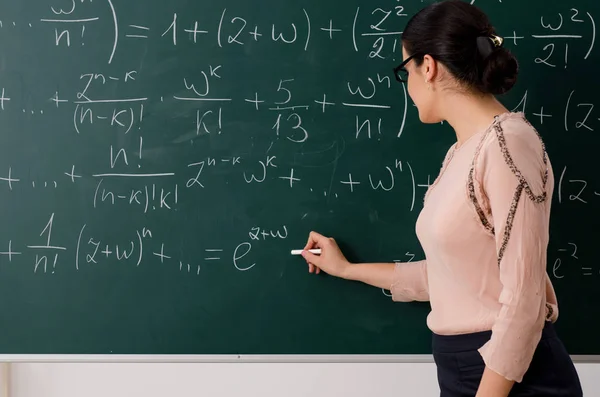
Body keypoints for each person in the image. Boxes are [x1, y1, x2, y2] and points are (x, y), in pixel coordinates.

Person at [299, 1, 583, 396]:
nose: (409, 86)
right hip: (465, 368)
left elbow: (524, 297)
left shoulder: (507, 143)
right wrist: (347, 269)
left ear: (427, 66)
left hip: (509, 376)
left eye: (405, 72)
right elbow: (452, 276)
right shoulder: (461, 151)